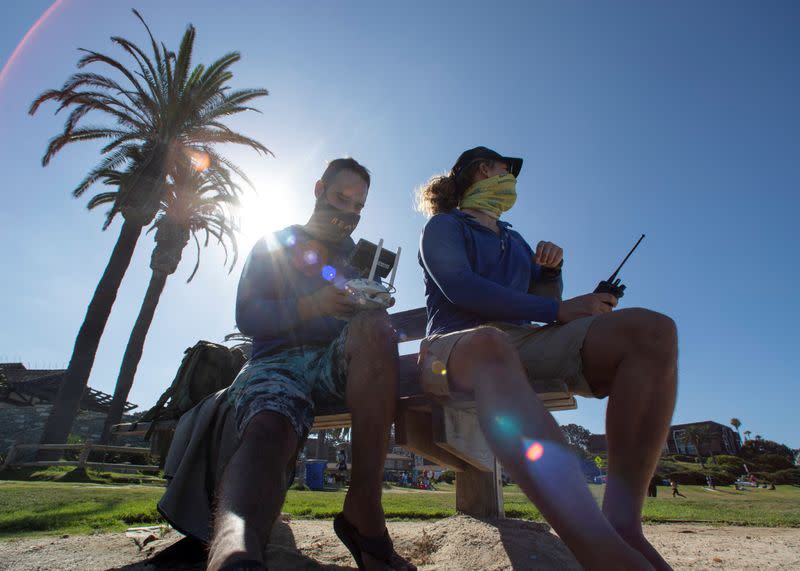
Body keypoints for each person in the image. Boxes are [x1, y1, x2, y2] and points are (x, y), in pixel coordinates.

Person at [416, 147, 679, 571]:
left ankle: (623, 525)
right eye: (506, 170)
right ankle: (600, 552)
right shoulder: (444, 227)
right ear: (484, 170)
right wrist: (557, 310)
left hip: (519, 343)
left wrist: (550, 274)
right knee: (490, 344)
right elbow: (459, 287)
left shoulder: (515, 241)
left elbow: (538, 305)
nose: (511, 180)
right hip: (453, 348)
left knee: (653, 331)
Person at [208, 159, 415, 571]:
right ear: (319, 189)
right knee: (270, 428)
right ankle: (233, 545)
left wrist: (365, 307)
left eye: (359, 207)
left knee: (376, 326)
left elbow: (368, 331)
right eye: (342, 198)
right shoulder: (276, 242)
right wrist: (312, 305)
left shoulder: (357, 259)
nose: (350, 213)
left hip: (334, 362)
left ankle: (363, 507)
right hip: (276, 360)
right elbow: (248, 315)